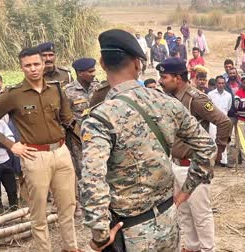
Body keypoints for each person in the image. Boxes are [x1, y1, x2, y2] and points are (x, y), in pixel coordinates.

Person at [80, 29, 217, 252]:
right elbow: (207, 147)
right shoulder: (167, 103)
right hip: (168, 221)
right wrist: (185, 192)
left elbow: (92, 180)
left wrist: (100, 236)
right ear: (137, 64)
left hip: (130, 232)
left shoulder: (100, 117)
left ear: (102, 63)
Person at [0, 47, 80, 252]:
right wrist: (11, 145)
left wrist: (86, 140)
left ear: (44, 64)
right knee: (39, 212)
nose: (33, 69)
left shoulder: (56, 89)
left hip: (61, 153)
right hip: (34, 156)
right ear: (22, 68)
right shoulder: (13, 94)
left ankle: (71, 248)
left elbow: (67, 120)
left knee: (67, 207)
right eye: (28, 65)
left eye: (36, 64)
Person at [157, 57, 230, 252]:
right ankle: (191, 246)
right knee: (183, 212)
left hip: (194, 166)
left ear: (178, 78)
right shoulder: (170, 97)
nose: (160, 81)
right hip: (176, 165)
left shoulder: (195, 99)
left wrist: (217, 152)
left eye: (164, 77)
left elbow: (223, 122)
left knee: (201, 214)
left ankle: (207, 248)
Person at [63, 57, 99, 217]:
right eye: (90, 72)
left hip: (99, 136)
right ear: (79, 73)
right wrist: (78, 134)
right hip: (78, 140)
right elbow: (65, 116)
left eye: (94, 70)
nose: (93, 74)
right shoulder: (68, 91)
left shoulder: (98, 87)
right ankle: (87, 206)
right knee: (83, 172)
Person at [208, 76, 233, 166]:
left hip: (224, 122)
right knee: (212, 140)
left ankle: (223, 161)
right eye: (219, 83)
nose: (221, 85)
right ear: (216, 84)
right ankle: (212, 161)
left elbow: (228, 107)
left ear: (225, 84)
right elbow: (208, 107)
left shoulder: (228, 95)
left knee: (223, 141)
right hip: (213, 121)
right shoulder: (210, 94)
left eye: (223, 83)